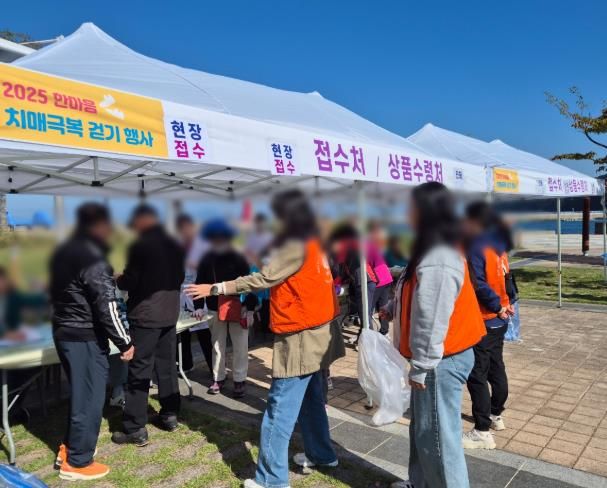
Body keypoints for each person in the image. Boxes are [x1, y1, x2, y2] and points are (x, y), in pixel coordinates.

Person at [186, 189, 345, 488]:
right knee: (311, 399)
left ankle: (271, 480)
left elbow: (263, 278)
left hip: (301, 335)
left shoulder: (294, 242)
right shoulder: (312, 239)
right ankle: (322, 455)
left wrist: (216, 288)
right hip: (317, 331)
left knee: (279, 407)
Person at [383, 182, 485, 488]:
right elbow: (418, 293)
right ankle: (419, 482)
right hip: (438, 357)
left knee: (440, 441)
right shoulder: (431, 245)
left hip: (441, 360)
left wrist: (423, 365)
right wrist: (392, 307)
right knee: (424, 431)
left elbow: (433, 316)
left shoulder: (438, 253)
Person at [49, 203, 134, 481]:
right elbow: (107, 304)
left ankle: (69, 448)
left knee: (80, 395)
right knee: (90, 398)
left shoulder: (63, 251)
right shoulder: (92, 258)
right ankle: (78, 461)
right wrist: (125, 341)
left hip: (64, 329)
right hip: (84, 334)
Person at [111, 204, 185, 446]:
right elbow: (180, 277)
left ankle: (135, 427)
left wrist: (118, 278)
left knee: (139, 370)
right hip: (169, 312)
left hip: (145, 315)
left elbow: (131, 281)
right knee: (167, 366)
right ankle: (170, 414)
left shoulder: (139, 246)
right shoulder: (175, 244)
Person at [463, 201, 514, 450]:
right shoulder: (498, 246)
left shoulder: (476, 246)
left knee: (478, 374)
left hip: (485, 317)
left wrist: (497, 306)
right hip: (500, 317)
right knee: (496, 367)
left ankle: (481, 429)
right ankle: (496, 414)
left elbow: (479, 284)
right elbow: (507, 279)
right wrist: (506, 304)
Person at [193, 218, 257, 397]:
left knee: (240, 346)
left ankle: (239, 379)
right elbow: (200, 282)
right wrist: (198, 306)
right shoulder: (206, 258)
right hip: (215, 307)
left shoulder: (239, 257)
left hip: (238, 306)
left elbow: (250, 282)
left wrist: (249, 307)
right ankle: (218, 377)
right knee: (217, 345)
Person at [175, 213, 213, 374]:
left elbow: (208, 273)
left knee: (204, 333)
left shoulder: (203, 247)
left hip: (198, 293)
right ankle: (186, 365)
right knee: (182, 333)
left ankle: (214, 369)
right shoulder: (178, 246)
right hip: (181, 294)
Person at [368, 220, 393, 335]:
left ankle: (368, 334)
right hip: (386, 276)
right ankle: (384, 331)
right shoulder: (376, 244)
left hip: (379, 278)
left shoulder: (366, 245)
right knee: (383, 306)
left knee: (368, 308)